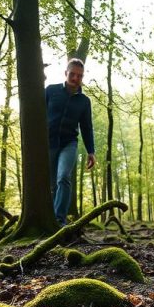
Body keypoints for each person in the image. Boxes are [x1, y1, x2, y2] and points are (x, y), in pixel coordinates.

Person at [45, 58, 96, 226]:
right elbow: (39, 115)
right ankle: (49, 220)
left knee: (63, 177)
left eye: (79, 76)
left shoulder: (84, 101)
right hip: (49, 143)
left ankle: (60, 221)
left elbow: (86, 127)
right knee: (52, 184)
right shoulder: (51, 91)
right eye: (72, 74)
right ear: (66, 73)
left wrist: (91, 151)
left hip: (69, 144)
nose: (75, 78)